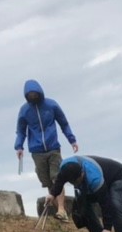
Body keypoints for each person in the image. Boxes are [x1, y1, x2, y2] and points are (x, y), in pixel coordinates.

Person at [15, 80, 77, 219]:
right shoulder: (24, 110)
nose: (33, 96)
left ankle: (61, 209)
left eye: (35, 94)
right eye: (30, 94)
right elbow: (21, 131)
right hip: (36, 151)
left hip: (53, 147)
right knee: (48, 182)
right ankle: (61, 214)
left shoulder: (51, 105)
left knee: (57, 177)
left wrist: (72, 140)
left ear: (40, 92)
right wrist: (19, 146)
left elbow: (64, 123)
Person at [49, 154, 122, 232]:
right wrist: (52, 194)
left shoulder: (94, 177)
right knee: (80, 203)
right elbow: (59, 182)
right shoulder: (65, 169)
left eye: (79, 181)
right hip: (98, 178)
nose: (77, 184)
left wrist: (107, 228)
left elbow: (105, 203)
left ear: (82, 173)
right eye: (75, 183)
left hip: (116, 176)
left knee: (116, 204)